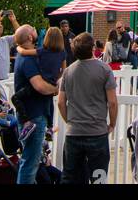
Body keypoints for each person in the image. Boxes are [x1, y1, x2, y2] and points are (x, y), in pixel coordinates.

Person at [58, 32, 118, 185]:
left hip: (74, 133)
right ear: (92, 48)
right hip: (97, 131)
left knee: (70, 177)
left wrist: (69, 121)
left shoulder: (68, 71)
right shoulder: (104, 70)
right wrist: (112, 124)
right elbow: (112, 102)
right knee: (98, 177)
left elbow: (60, 102)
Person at [12, 25, 61, 184]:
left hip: (33, 114)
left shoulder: (24, 54)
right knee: (31, 162)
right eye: (33, 29)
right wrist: (55, 89)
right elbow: (39, 85)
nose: (36, 30)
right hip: (34, 115)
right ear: (30, 38)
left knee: (31, 160)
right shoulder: (27, 60)